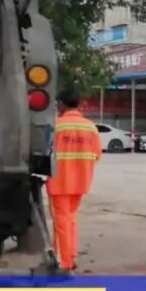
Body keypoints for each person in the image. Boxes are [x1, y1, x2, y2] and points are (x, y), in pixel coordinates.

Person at [46, 90, 102, 272]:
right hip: (81, 182)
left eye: (57, 103)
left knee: (61, 222)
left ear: (62, 104)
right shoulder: (90, 127)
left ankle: (64, 263)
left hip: (60, 182)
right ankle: (70, 255)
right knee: (70, 219)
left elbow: (44, 152)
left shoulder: (56, 126)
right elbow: (97, 154)